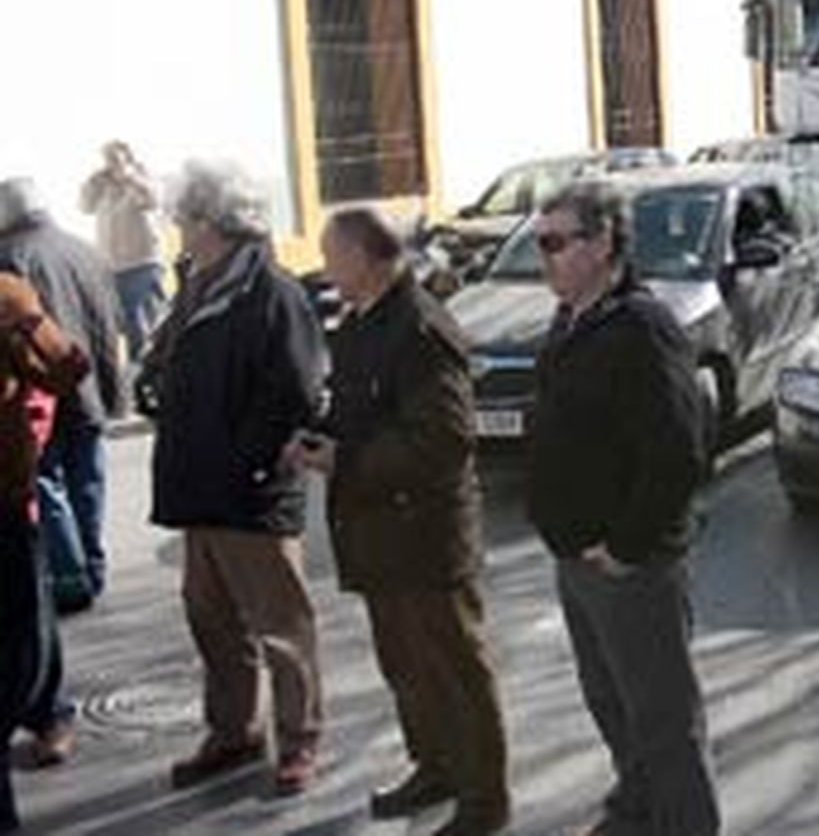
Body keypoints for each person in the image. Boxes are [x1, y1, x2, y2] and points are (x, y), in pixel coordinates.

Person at [283, 208, 510, 835]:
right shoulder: (363, 321)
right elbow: (361, 410)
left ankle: (484, 801)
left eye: (332, 257)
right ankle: (434, 767)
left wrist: (345, 458)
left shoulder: (419, 326)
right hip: (379, 534)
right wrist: (318, 438)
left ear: (362, 256)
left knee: (456, 670)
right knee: (406, 667)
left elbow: (444, 440)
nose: (326, 271)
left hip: (425, 536)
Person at [523, 181, 721, 836]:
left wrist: (628, 546)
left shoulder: (642, 326)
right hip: (576, 558)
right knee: (613, 706)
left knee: (664, 724)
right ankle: (638, 813)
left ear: (603, 241)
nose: (544, 256)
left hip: (628, 566)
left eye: (556, 241)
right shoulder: (572, 317)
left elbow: (678, 451)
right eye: (540, 242)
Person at [142, 159, 325, 795]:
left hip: (250, 489)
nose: (176, 227)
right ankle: (234, 731)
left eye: (184, 216)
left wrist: (247, 457)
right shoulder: (197, 282)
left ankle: (299, 742)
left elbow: (297, 388)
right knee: (212, 621)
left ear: (213, 222)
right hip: (199, 487)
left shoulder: (271, 290)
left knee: (281, 627)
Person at [0, 177, 123, 617]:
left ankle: (72, 578)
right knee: (87, 480)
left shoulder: (11, 259)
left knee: (49, 482)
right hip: (86, 384)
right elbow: (111, 320)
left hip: (42, 391)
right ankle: (92, 563)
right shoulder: (84, 249)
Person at [0, 275, 88, 833]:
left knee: (23, 633)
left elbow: (64, 370)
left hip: (2, 504)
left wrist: (27, 321)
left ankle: (46, 712)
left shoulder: (6, 295)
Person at [79, 140, 165, 362]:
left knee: (143, 327)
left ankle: (149, 377)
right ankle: (131, 377)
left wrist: (129, 177)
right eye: (107, 158)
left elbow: (154, 200)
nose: (110, 164)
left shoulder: (142, 179)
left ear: (128, 157)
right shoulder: (103, 187)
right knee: (117, 326)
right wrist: (92, 183)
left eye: (115, 158)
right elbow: (84, 207)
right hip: (112, 269)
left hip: (141, 265)